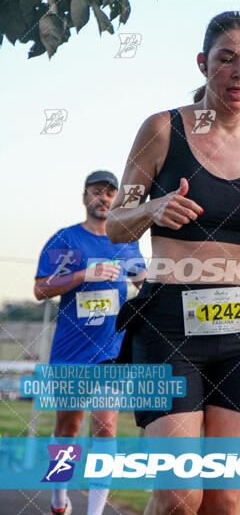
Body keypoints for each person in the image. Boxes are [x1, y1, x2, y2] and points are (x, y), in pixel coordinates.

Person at [106, 11, 240, 515]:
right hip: (168, 329)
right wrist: (152, 208)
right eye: (225, 59)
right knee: (180, 496)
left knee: (222, 500)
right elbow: (115, 223)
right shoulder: (162, 129)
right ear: (203, 63)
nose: (237, 72)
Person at [34, 170, 145, 515]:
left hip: (110, 352)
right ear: (85, 197)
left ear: (116, 201)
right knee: (68, 426)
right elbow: (41, 289)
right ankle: (58, 501)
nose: (103, 198)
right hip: (71, 352)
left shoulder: (126, 242)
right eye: (97, 192)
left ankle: (94, 512)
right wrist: (85, 275)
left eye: (110, 194)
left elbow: (145, 282)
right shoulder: (65, 240)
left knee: (106, 428)